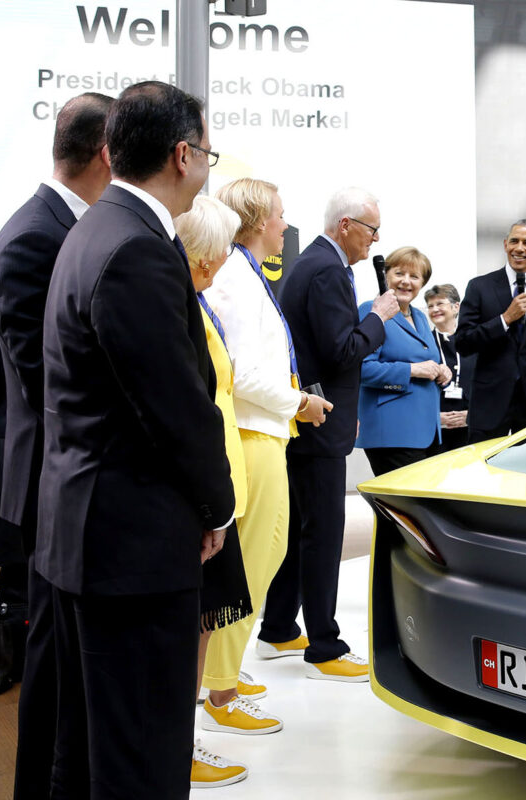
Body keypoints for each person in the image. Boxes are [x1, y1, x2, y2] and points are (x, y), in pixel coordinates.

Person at [37, 80, 236, 798]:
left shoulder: (92, 229)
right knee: (141, 755)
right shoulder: (137, 249)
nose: (209, 165)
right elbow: (176, 407)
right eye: (209, 151)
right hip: (131, 546)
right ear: (183, 155)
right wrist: (216, 508)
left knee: (89, 749)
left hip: (87, 531)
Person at [0, 91, 112, 800]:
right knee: (49, 655)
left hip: (67, 473)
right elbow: (41, 377)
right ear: (107, 153)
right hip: (51, 476)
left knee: (64, 655)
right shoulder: (34, 236)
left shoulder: (63, 228)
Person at [202, 179, 330, 728]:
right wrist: (298, 400)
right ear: (256, 221)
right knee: (251, 562)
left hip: (266, 431)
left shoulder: (244, 274)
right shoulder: (233, 275)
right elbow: (243, 372)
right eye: (279, 216)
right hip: (255, 431)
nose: (285, 225)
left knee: (263, 556)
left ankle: (221, 674)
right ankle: (217, 687)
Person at [262, 187, 399, 682]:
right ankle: (325, 645)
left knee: (305, 529)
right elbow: (343, 350)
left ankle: (278, 626)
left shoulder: (317, 265)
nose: (375, 239)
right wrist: (378, 318)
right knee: (323, 534)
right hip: (316, 425)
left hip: (317, 417)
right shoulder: (326, 270)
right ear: (345, 226)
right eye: (371, 229)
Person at [174, 195, 254, 787]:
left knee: (203, 622)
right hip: (201, 487)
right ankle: (183, 746)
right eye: (225, 247)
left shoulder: (198, 305)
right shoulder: (187, 308)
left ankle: (188, 740)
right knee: (192, 628)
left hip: (217, 479)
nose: (230, 257)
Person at [457, 219, 526, 441]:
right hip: (489, 405)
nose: (519, 248)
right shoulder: (479, 287)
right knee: (483, 471)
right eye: (514, 241)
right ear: (505, 244)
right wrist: (505, 319)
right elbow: (463, 342)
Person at [357, 247, 451, 474]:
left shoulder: (419, 316)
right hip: (393, 432)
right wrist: (411, 370)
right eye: (399, 273)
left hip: (427, 432)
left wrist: (442, 371)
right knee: (405, 506)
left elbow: (426, 361)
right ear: (386, 275)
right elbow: (362, 369)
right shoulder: (370, 311)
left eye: (414, 276)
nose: (406, 282)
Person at [425, 283, 473, 451]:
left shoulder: (474, 341)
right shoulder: (423, 344)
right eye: (430, 306)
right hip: (434, 431)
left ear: (456, 307)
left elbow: (488, 385)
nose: (434, 309)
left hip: (470, 430)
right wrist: (434, 418)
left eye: (440, 304)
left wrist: (471, 416)